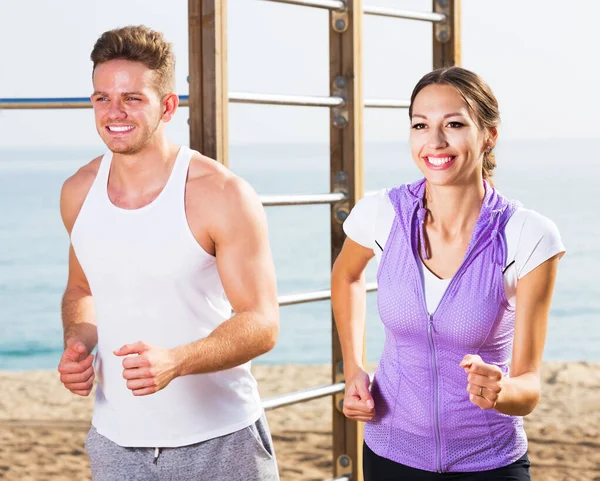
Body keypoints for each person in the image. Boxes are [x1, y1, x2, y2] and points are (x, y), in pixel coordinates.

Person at [57, 25, 280, 481]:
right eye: (102, 97)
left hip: (221, 442)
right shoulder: (78, 192)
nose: (114, 112)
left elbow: (262, 321)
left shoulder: (222, 193)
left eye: (132, 98)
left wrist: (178, 361)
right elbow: (82, 288)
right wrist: (78, 342)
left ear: (168, 105)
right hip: (116, 444)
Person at [331, 66, 565, 480]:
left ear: (489, 135)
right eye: (421, 125)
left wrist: (501, 390)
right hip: (390, 455)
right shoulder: (382, 214)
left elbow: (528, 387)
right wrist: (354, 368)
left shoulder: (527, 235)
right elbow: (347, 276)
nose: (434, 142)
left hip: (489, 461)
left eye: (454, 124)